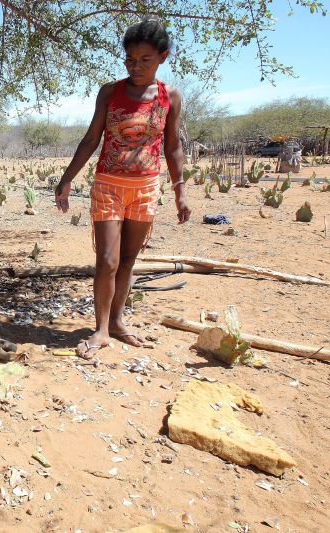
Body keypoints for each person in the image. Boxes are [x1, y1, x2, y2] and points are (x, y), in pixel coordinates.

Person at [54, 19, 192, 359]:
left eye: (145, 59)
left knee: (128, 261)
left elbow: (173, 147)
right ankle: (100, 329)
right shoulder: (110, 92)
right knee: (107, 260)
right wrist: (67, 178)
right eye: (130, 59)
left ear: (163, 57)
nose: (136, 66)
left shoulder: (168, 97)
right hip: (109, 187)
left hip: (146, 189)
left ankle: (116, 322)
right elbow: (91, 139)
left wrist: (179, 189)